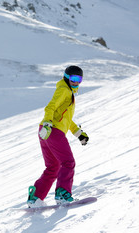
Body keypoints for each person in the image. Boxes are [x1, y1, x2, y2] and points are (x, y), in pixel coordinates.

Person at [27, 65, 89, 208]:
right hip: (52, 130)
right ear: (67, 77)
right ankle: (62, 194)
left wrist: (78, 133)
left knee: (53, 167)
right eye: (73, 78)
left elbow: (66, 119)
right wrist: (48, 123)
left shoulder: (68, 93)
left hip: (45, 131)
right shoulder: (64, 90)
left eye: (79, 79)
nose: (76, 82)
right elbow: (50, 107)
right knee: (68, 162)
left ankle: (35, 198)